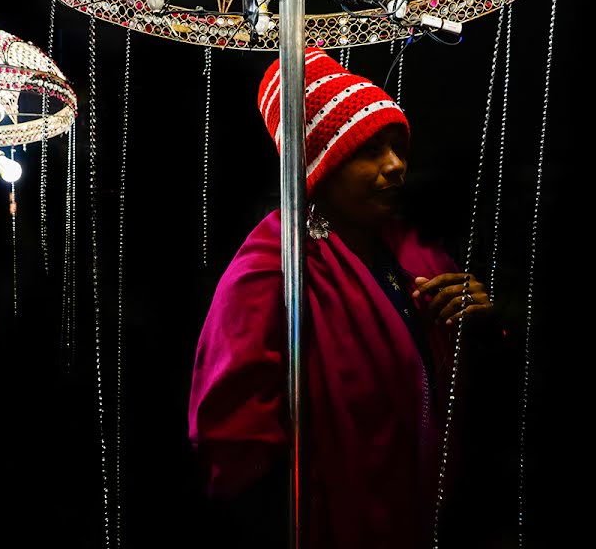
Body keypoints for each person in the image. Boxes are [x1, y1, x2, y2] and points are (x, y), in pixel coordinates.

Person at [188, 48, 499, 548]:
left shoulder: (417, 252)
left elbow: (457, 385)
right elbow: (232, 437)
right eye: (370, 151)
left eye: (398, 146)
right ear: (321, 164)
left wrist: (483, 326)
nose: (396, 166)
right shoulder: (274, 266)